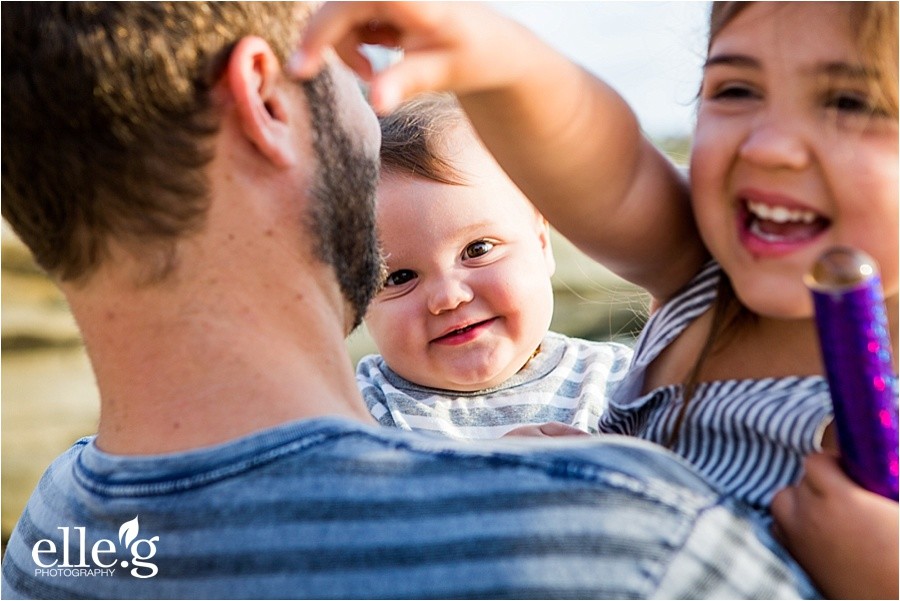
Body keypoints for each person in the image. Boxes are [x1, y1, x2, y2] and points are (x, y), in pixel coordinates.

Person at [0, 2, 819, 599]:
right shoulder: (633, 549)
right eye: (342, 49)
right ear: (266, 96)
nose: (449, 294)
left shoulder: (52, 544)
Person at [293, 1, 898, 598]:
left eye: (851, 101)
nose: (767, 145)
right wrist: (501, 60)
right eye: (735, 89)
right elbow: (613, 169)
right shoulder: (705, 278)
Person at [358, 92, 632, 439]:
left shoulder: (619, 381)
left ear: (541, 241)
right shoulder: (361, 409)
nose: (448, 297)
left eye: (478, 249)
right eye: (399, 277)